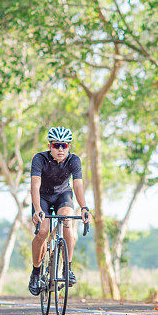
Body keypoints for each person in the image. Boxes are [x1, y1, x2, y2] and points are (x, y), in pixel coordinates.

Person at [28, 126, 91, 296]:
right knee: (42, 231)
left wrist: (84, 207)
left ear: (69, 146)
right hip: (42, 197)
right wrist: (38, 209)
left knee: (67, 223)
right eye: (57, 145)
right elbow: (35, 185)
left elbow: (77, 186)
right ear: (50, 146)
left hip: (62, 195)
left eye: (65, 145)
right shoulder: (39, 159)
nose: (61, 149)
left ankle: (67, 269)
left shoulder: (74, 161)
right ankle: (36, 272)